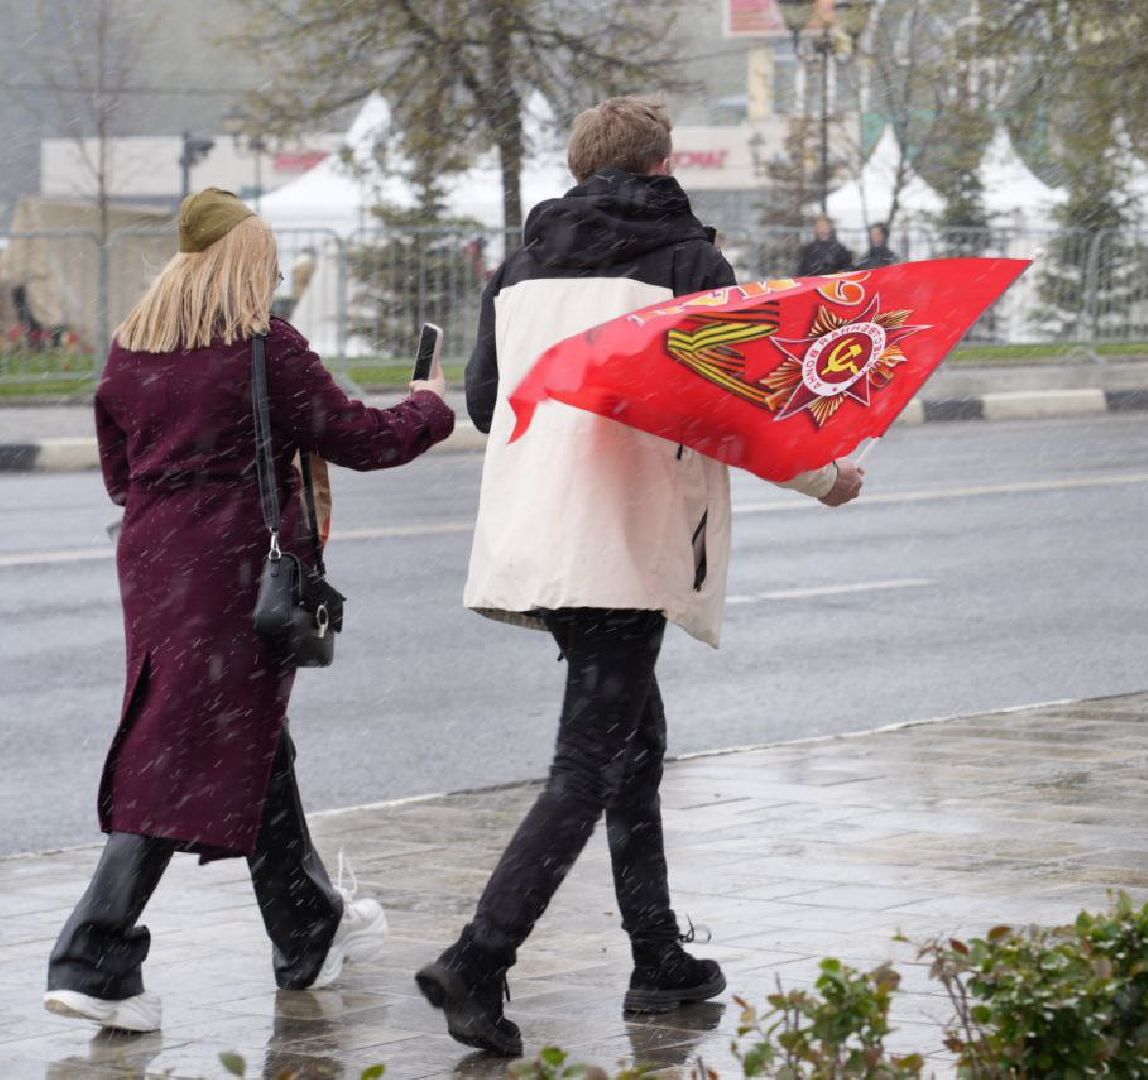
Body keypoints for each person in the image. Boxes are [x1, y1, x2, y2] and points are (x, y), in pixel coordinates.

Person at [416, 98, 865, 1058]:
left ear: (577, 168)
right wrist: (824, 478)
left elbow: (491, 405)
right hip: (627, 531)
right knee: (587, 762)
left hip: (545, 532)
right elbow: (733, 406)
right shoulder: (686, 263)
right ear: (664, 161)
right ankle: (478, 957)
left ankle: (657, 957)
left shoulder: (522, 264)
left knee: (633, 745)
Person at [44, 189, 456, 1034]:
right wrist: (430, 403)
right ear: (246, 264)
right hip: (235, 568)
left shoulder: (132, 349)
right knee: (180, 745)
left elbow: (121, 474)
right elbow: (362, 438)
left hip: (156, 562)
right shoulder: (264, 349)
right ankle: (93, 955)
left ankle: (310, 932)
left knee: (238, 731)